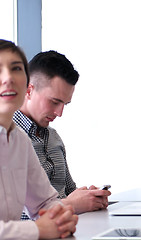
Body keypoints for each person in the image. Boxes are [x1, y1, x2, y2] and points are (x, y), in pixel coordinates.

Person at [13, 50, 111, 216]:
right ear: (29, 90)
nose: (60, 113)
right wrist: (70, 205)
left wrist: (89, 197)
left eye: (65, 104)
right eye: (55, 102)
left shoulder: (53, 137)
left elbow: (69, 191)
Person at [0, 39, 78, 239]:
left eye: (16, 68)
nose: (8, 78)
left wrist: (63, 215)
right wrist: (38, 230)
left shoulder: (19, 140)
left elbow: (45, 203)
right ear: (30, 91)